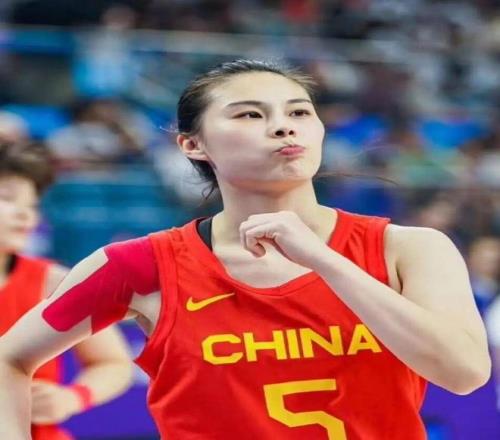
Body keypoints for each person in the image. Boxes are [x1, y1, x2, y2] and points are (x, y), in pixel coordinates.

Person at [0, 59, 491, 439]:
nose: (283, 126)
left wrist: (323, 259)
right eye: (251, 114)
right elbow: (9, 360)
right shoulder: (139, 265)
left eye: (299, 112)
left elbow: (465, 373)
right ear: (193, 145)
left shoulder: (409, 248)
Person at [0, 142, 133, 440]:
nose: (26, 215)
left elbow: (114, 363)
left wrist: (71, 398)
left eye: (32, 206)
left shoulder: (53, 281)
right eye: (7, 198)